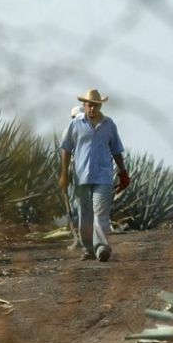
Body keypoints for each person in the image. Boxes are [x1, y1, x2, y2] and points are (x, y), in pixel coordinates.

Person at [59, 89, 131, 262]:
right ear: (84, 106)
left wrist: (123, 172)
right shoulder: (75, 125)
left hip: (103, 176)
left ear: (100, 106)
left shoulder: (108, 125)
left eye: (95, 105)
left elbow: (116, 150)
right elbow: (66, 148)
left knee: (100, 211)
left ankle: (101, 247)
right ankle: (88, 248)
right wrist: (64, 173)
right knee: (85, 214)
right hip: (81, 176)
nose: (92, 108)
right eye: (89, 105)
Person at [64, 105, 84, 250]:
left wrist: (64, 173)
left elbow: (65, 152)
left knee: (76, 204)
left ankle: (80, 239)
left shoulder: (70, 129)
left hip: (77, 171)